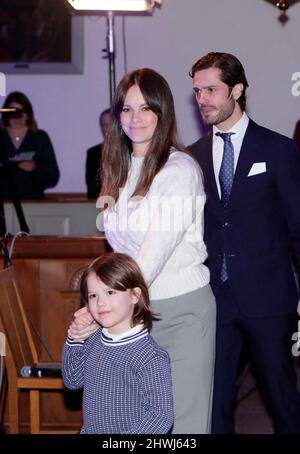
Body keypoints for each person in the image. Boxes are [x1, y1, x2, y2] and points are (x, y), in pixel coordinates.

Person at [68, 68, 216, 434]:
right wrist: (99, 305)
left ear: (163, 113)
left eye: (146, 109)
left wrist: (106, 303)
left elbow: (150, 257)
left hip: (180, 311)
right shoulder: (117, 168)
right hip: (133, 311)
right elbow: (118, 252)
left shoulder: (179, 169)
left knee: (182, 426)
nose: (135, 119)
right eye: (127, 109)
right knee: (132, 424)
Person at [188, 52, 300, 434]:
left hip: (269, 297)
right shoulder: (191, 158)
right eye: (197, 90)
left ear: (237, 90)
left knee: (282, 397)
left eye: (212, 89)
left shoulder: (277, 149)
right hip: (213, 300)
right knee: (214, 402)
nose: (202, 98)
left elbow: (298, 225)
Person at [62, 252, 174, 434]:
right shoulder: (94, 340)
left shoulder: (149, 356)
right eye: (93, 296)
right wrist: (76, 338)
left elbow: (160, 415)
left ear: (134, 295)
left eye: (110, 292)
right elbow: (72, 380)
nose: (100, 303)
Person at [0, 91, 59, 199]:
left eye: (20, 113)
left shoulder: (40, 138)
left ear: (28, 114)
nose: (17, 118)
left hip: (32, 202)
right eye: (13, 113)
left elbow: (53, 175)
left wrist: (34, 168)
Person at [85, 108, 110, 199]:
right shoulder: (93, 153)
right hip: (99, 206)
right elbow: (91, 187)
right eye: (104, 125)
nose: (106, 128)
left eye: (109, 124)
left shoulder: (129, 152)